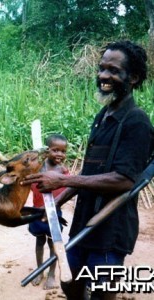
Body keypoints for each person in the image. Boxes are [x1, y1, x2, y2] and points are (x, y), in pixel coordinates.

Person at [21, 40, 154, 300]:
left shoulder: (137, 122)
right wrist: (53, 205)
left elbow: (124, 180)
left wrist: (61, 179)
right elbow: (89, 172)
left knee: (102, 293)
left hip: (110, 228)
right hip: (84, 221)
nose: (104, 76)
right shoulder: (103, 117)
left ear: (134, 77)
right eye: (102, 68)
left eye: (114, 71)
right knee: (70, 284)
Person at [28, 134, 69, 290]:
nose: (59, 154)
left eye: (63, 151)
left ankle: (51, 274)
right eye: (55, 150)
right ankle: (40, 271)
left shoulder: (63, 171)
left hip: (54, 212)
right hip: (37, 212)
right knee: (39, 241)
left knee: (54, 244)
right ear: (47, 150)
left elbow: (67, 190)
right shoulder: (38, 167)